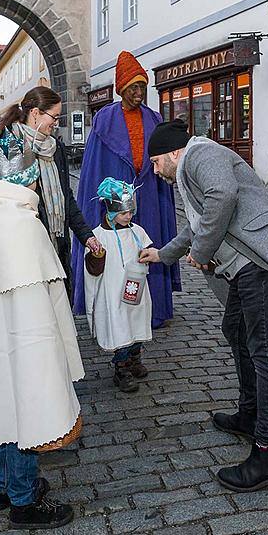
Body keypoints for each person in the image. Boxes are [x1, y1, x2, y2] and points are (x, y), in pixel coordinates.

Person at [139, 119, 268, 492]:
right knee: (234, 330)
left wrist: (201, 254)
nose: (156, 171)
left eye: (156, 163)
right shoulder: (193, 165)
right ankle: (250, 414)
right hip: (248, 264)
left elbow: (223, 196)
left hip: (264, 261)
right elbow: (199, 225)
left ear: (172, 152)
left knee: (266, 353)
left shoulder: (202, 153)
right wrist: (162, 255)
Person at [0, 129, 82, 530]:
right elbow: (41, 303)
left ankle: (0, 487)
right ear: (27, 181)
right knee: (28, 403)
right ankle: (24, 501)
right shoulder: (25, 224)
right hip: (26, 338)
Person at [73, 51, 181, 330]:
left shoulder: (154, 118)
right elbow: (94, 167)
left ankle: (155, 307)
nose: (138, 93)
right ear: (121, 89)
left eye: (142, 87)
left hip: (150, 194)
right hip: (114, 197)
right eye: (133, 87)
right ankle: (114, 307)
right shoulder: (104, 120)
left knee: (149, 244)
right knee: (118, 251)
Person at [0, 86, 103, 300]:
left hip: (57, 243)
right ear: (35, 113)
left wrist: (87, 236)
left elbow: (66, 200)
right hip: (26, 247)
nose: (56, 123)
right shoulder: (11, 148)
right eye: (53, 117)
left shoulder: (56, 148)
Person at [84, 178, 153, 393]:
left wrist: (146, 255)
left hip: (136, 288)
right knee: (120, 325)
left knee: (136, 321)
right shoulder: (99, 235)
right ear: (113, 212)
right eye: (124, 213)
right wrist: (98, 256)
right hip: (113, 292)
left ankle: (134, 358)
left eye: (131, 212)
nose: (129, 216)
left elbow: (147, 249)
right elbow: (93, 267)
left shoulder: (138, 231)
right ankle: (121, 368)